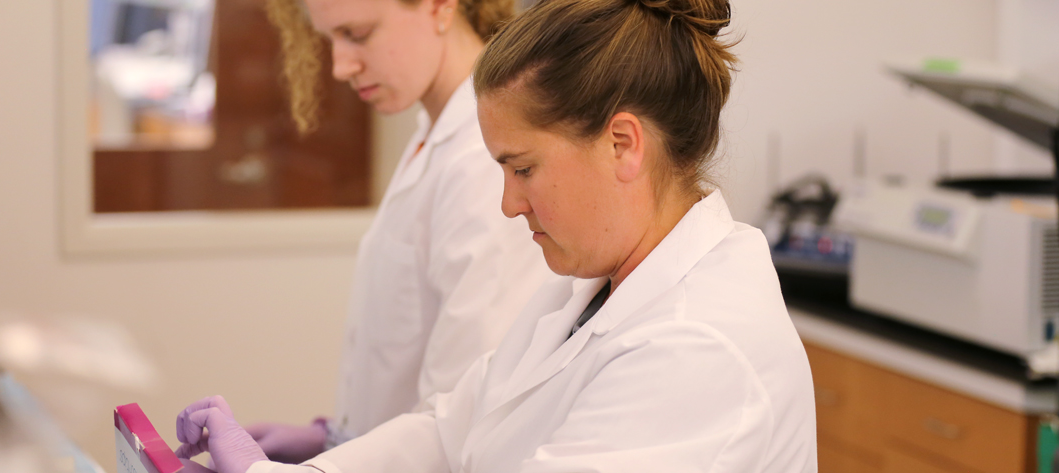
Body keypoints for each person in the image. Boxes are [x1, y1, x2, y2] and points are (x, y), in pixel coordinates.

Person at [176, 0, 818, 471]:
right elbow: (452, 427)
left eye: (523, 169)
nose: (509, 205)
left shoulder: (698, 349)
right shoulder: (586, 289)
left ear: (623, 144)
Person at [240, 0, 553, 464]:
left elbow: (461, 415)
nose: (341, 65)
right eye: (330, 40)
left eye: (359, 34)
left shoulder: (484, 162)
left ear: (440, 7)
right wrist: (334, 439)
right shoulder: (435, 128)